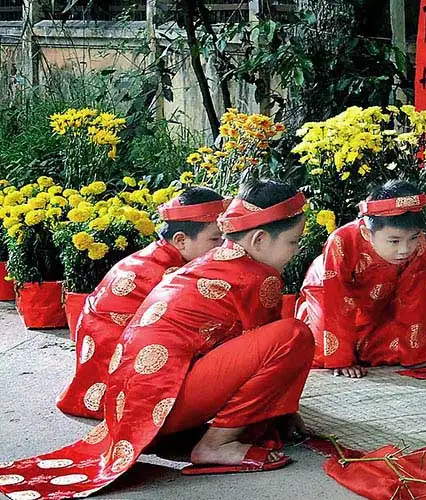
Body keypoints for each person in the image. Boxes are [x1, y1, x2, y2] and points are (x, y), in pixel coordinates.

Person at [0, 180, 314, 500]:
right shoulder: (257, 277)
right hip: (160, 402)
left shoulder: (216, 260)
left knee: (280, 338)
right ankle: (217, 445)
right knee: (293, 335)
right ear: (259, 239)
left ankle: (205, 436)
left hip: (138, 405)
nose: (297, 250)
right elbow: (271, 355)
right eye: (293, 241)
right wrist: (282, 413)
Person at [57, 187, 228, 419]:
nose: (223, 247)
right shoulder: (171, 275)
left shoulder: (153, 257)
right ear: (180, 240)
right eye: (216, 238)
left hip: (99, 379)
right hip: (121, 389)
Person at [296, 180, 426, 378]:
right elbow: (335, 300)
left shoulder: (418, 245)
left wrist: (415, 353)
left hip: (376, 300)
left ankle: (360, 346)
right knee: (320, 352)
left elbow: (414, 298)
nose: (405, 249)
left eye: (413, 237)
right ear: (366, 233)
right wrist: (342, 359)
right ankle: (344, 352)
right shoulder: (341, 240)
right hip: (326, 292)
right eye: (394, 241)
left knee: (393, 350)